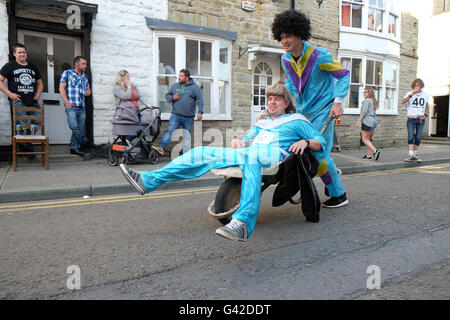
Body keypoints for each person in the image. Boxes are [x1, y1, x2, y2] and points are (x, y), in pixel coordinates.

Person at [119, 82, 344, 242]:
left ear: (286, 103)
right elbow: (248, 141)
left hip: (276, 156)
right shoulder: (262, 122)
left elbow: (320, 141)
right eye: (269, 99)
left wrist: (305, 141)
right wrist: (240, 141)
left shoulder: (297, 120)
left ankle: (243, 222)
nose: (272, 102)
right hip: (252, 153)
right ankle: (148, 181)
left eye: (276, 99)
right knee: (201, 152)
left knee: (252, 156)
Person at [272, 9, 350, 208]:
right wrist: (287, 108)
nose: (284, 41)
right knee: (304, 151)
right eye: (281, 37)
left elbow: (344, 75)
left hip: (324, 110)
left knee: (319, 152)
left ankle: (338, 194)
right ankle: (329, 176)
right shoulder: (286, 59)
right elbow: (290, 85)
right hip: (304, 113)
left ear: (299, 34)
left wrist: (338, 102)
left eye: (287, 36)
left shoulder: (320, 55)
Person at [0, 43, 44, 158]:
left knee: (38, 122)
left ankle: (23, 144)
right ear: (14, 54)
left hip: (32, 101)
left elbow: (39, 83)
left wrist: (37, 95)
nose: (22, 54)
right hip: (18, 101)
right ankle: (28, 150)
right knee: (23, 124)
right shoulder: (10, 66)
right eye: (20, 52)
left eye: (24, 52)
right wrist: (10, 94)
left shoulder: (32, 67)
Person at [152, 68, 203, 156]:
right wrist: (173, 98)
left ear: (187, 77)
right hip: (176, 115)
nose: (179, 77)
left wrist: (200, 112)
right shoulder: (175, 86)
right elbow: (167, 96)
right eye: (179, 75)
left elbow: (200, 100)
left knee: (186, 135)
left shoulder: (195, 87)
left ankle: (185, 153)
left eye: (181, 76)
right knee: (170, 131)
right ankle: (161, 148)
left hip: (188, 117)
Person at [59, 56, 91, 156]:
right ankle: (85, 142)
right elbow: (61, 88)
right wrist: (66, 102)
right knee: (74, 126)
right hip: (71, 105)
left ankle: (74, 147)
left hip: (82, 105)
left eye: (85, 64)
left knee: (79, 127)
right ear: (76, 64)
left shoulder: (84, 76)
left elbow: (88, 90)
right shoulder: (67, 73)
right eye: (83, 64)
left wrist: (87, 93)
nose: (85, 66)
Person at [113, 70, 153, 144]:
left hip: (136, 111)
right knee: (134, 128)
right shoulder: (117, 88)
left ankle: (130, 141)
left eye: (129, 76)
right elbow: (126, 96)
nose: (129, 78)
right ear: (121, 78)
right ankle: (128, 139)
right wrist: (128, 87)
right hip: (125, 113)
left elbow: (139, 96)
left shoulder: (133, 85)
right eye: (127, 77)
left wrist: (146, 104)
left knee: (142, 126)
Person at [400, 78, 429, 162]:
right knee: (411, 136)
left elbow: (427, 105)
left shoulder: (425, 94)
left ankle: (415, 155)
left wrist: (425, 114)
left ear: (421, 86)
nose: (417, 87)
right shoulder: (409, 93)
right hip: (411, 119)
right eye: (415, 85)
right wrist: (411, 95)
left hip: (420, 119)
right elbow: (402, 102)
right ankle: (410, 155)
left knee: (418, 137)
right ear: (413, 86)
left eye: (418, 85)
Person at [356, 87, 381, 161]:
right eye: (364, 92)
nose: (364, 93)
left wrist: (358, 121)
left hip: (367, 121)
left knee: (364, 139)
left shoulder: (367, 100)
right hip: (373, 121)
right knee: (368, 139)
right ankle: (368, 156)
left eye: (366, 92)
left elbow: (364, 112)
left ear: (370, 93)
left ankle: (375, 151)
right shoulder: (373, 101)